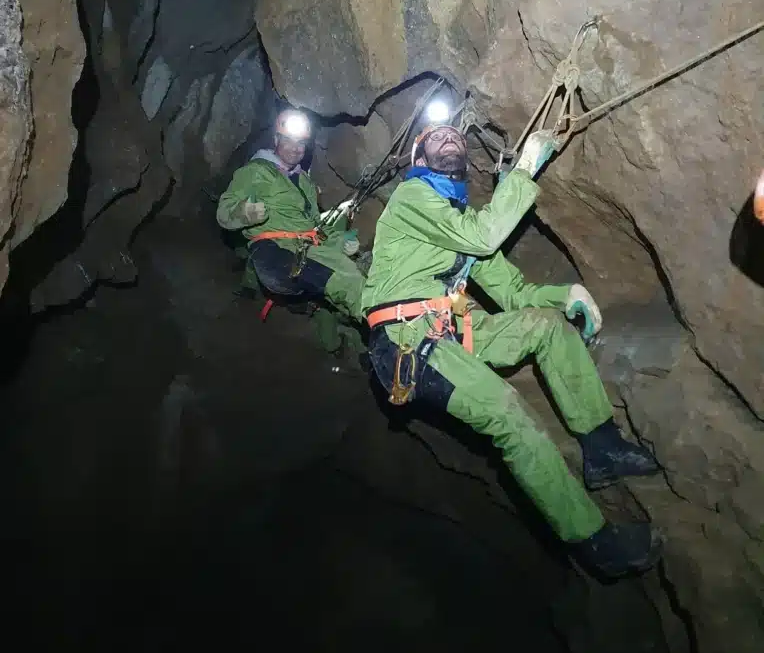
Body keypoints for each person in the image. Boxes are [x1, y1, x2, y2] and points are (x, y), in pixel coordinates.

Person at [361, 118, 663, 578]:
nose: (451, 140)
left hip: (449, 331)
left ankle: (602, 447)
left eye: (457, 138)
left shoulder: (463, 224)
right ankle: (594, 543)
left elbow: (513, 291)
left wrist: (565, 296)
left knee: (543, 326)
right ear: (418, 159)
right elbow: (485, 236)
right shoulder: (411, 198)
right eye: (437, 137)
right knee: (508, 414)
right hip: (406, 340)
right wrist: (524, 170)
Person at [217, 109, 366, 354]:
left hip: (308, 248)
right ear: (276, 140)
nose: (296, 148)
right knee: (347, 283)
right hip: (277, 252)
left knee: (356, 272)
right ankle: (393, 332)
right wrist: (244, 212)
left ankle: (353, 342)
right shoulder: (256, 172)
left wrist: (341, 241)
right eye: (289, 140)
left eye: (301, 143)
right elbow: (224, 212)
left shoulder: (305, 182)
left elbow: (314, 227)